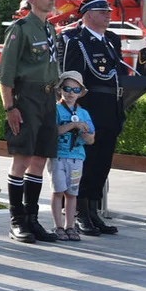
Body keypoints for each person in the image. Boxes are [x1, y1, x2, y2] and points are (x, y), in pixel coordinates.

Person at [0, 0, 60, 244]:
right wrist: (10, 106)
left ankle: (33, 219)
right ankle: (17, 221)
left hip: (47, 98)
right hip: (26, 97)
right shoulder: (20, 29)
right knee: (21, 159)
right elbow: (5, 74)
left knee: (40, 159)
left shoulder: (50, 29)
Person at [61, 0, 129, 236]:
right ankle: (80, 212)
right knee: (86, 161)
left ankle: (93, 210)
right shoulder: (75, 40)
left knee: (102, 162)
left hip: (111, 108)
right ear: (88, 16)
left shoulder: (111, 40)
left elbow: (117, 73)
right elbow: (71, 79)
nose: (108, 16)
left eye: (108, 12)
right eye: (103, 12)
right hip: (90, 108)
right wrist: (74, 113)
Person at [49, 71, 95, 241]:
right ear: (60, 89)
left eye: (76, 90)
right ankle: (58, 225)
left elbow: (91, 139)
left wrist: (83, 132)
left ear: (80, 93)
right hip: (58, 156)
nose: (71, 93)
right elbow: (53, 132)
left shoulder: (84, 114)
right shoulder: (55, 109)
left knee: (72, 193)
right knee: (58, 190)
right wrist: (72, 125)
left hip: (77, 158)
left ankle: (70, 225)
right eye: (67, 88)